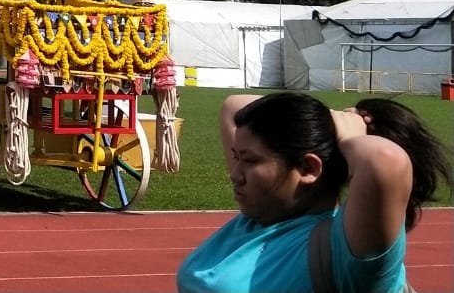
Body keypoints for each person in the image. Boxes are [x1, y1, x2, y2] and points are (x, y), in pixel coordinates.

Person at [178, 92, 451, 293]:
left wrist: (351, 136)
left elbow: (385, 161)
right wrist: (330, 122)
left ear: (308, 167)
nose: (235, 174)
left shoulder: (345, 253)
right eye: (237, 157)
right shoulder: (260, 214)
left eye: (249, 161)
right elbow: (234, 106)